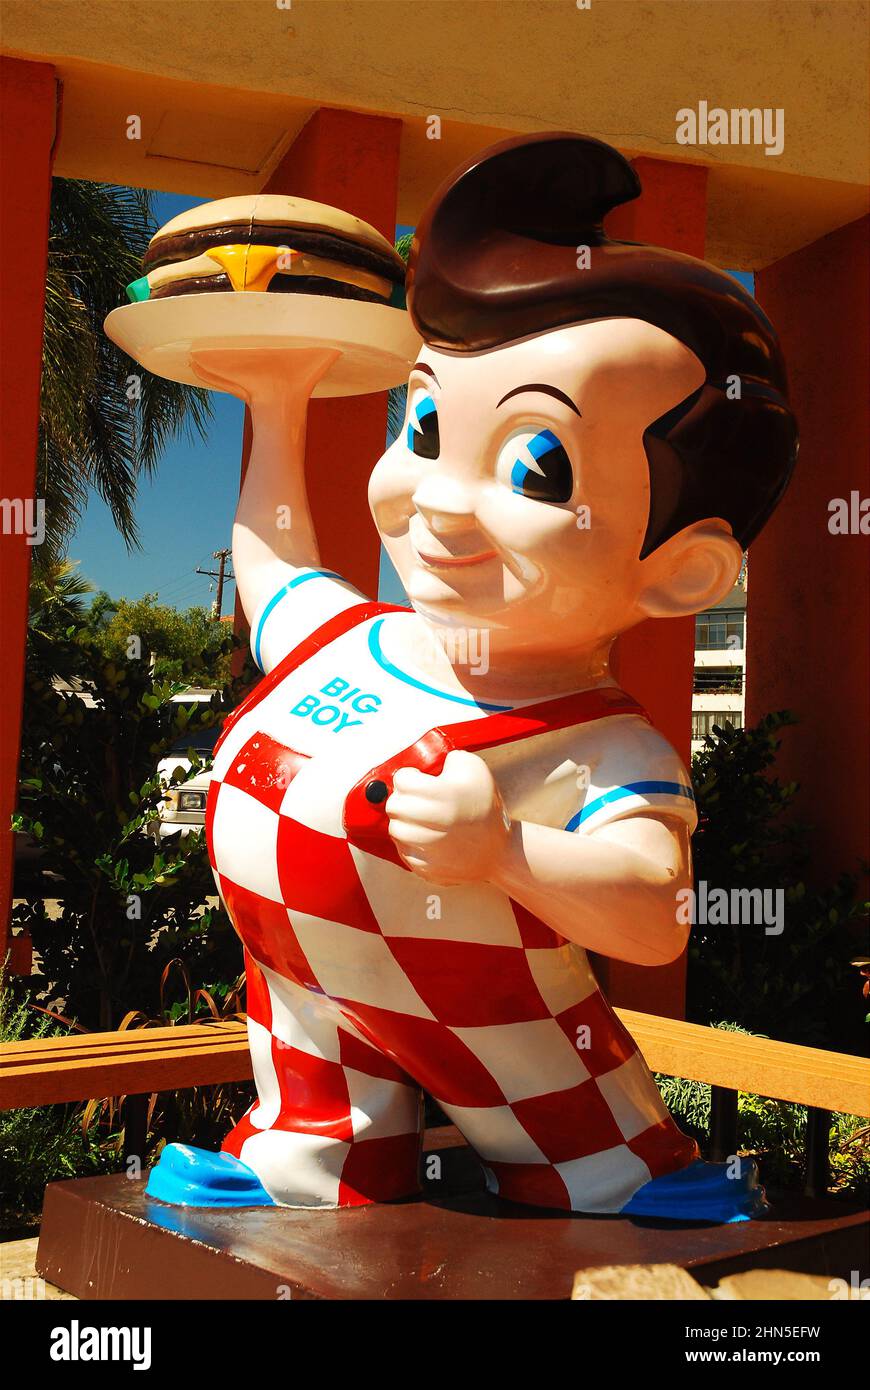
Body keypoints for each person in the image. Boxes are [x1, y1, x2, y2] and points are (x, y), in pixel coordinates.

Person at [147, 132, 796, 1219]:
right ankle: (309, 1150)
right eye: (428, 421)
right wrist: (277, 400)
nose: (438, 500)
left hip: (527, 1061)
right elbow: (272, 561)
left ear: (681, 569)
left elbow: (657, 911)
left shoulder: (592, 741)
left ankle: (619, 1170)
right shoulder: (342, 639)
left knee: (581, 1147)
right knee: (310, 1097)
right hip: (307, 1023)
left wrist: (507, 847)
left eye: (537, 466)